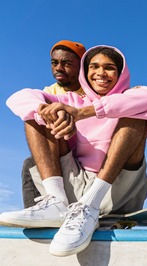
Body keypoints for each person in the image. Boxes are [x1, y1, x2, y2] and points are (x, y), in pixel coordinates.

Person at [1, 45, 147, 256]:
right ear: (85, 73)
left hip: (116, 189)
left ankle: (90, 206)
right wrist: (45, 112)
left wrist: (81, 113)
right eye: (94, 67)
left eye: (109, 67)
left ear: (121, 73)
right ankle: (56, 202)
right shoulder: (71, 100)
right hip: (75, 185)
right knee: (39, 112)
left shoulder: (132, 95)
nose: (101, 73)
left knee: (136, 117)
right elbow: (19, 97)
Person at [22, 40, 86, 208]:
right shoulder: (49, 92)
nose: (58, 68)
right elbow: (24, 100)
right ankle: (36, 212)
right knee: (30, 163)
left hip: (88, 153)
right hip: (62, 149)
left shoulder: (91, 89)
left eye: (66, 63)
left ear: (81, 66)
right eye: (54, 63)